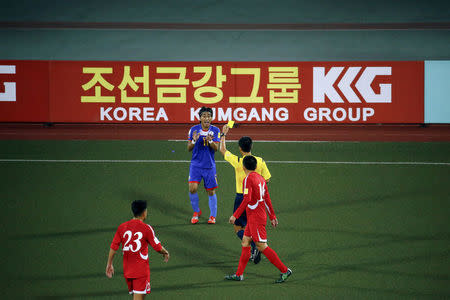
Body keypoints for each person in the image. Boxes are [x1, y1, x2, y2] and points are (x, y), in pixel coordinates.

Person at [225, 156, 292, 283]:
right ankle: (239, 274)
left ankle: (285, 270)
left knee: (262, 246)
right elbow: (267, 198)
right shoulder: (261, 179)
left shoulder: (247, 179)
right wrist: (272, 216)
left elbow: (247, 199)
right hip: (256, 216)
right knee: (245, 242)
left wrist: (236, 215)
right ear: (255, 167)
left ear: (244, 167)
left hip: (256, 218)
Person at [220, 124, 271, 264]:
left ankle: (254, 246)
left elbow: (223, 150)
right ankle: (254, 248)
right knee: (251, 227)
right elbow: (266, 180)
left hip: (241, 198)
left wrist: (223, 134)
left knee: (238, 228)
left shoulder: (238, 162)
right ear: (251, 147)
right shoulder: (259, 161)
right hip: (258, 199)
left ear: (240, 148)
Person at [106, 200, 170, 299]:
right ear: (144, 212)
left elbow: (114, 247)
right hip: (140, 272)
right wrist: (165, 252)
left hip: (127, 271)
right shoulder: (146, 228)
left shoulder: (122, 227)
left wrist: (109, 264)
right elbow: (157, 247)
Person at [187, 106, 221, 224]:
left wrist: (210, 141)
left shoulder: (216, 130)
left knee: (211, 191)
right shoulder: (193, 130)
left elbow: (216, 148)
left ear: (211, 118)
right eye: (204, 116)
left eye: (209, 116)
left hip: (209, 166)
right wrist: (194, 140)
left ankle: (212, 216)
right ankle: (196, 212)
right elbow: (189, 148)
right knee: (192, 189)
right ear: (200, 118)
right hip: (196, 165)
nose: (206, 118)